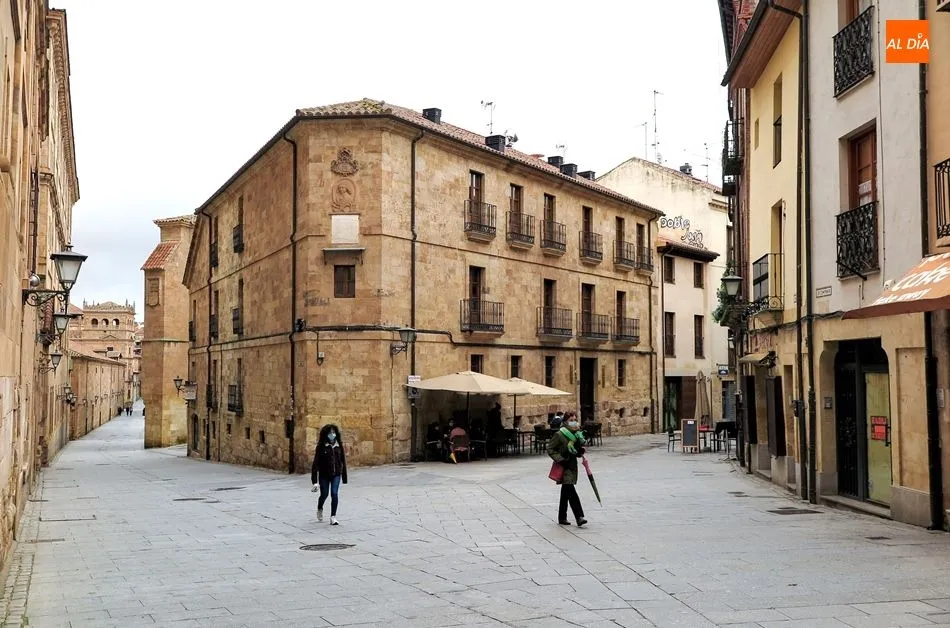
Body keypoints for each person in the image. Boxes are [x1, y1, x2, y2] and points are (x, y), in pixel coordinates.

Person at [547, 411, 587, 527]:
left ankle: (562, 517)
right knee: (571, 491)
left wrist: (580, 451)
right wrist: (560, 459)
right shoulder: (560, 434)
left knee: (566, 492)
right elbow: (551, 449)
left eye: (575, 420)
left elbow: (576, 450)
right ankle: (579, 516)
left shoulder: (576, 435)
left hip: (572, 465)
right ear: (565, 421)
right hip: (563, 466)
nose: (573, 422)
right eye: (571, 420)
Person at [310, 424, 347, 525]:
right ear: (326, 434)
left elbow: (343, 461)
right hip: (324, 475)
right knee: (324, 495)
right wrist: (314, 482)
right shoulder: (321, 447)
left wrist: (344, 477)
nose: (332, 435)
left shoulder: (339, 445)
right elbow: (315, 464)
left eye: (333, 432)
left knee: (334, 494)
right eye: (330, 433)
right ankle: (320, 507)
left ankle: (333, 517)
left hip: (336, 474)